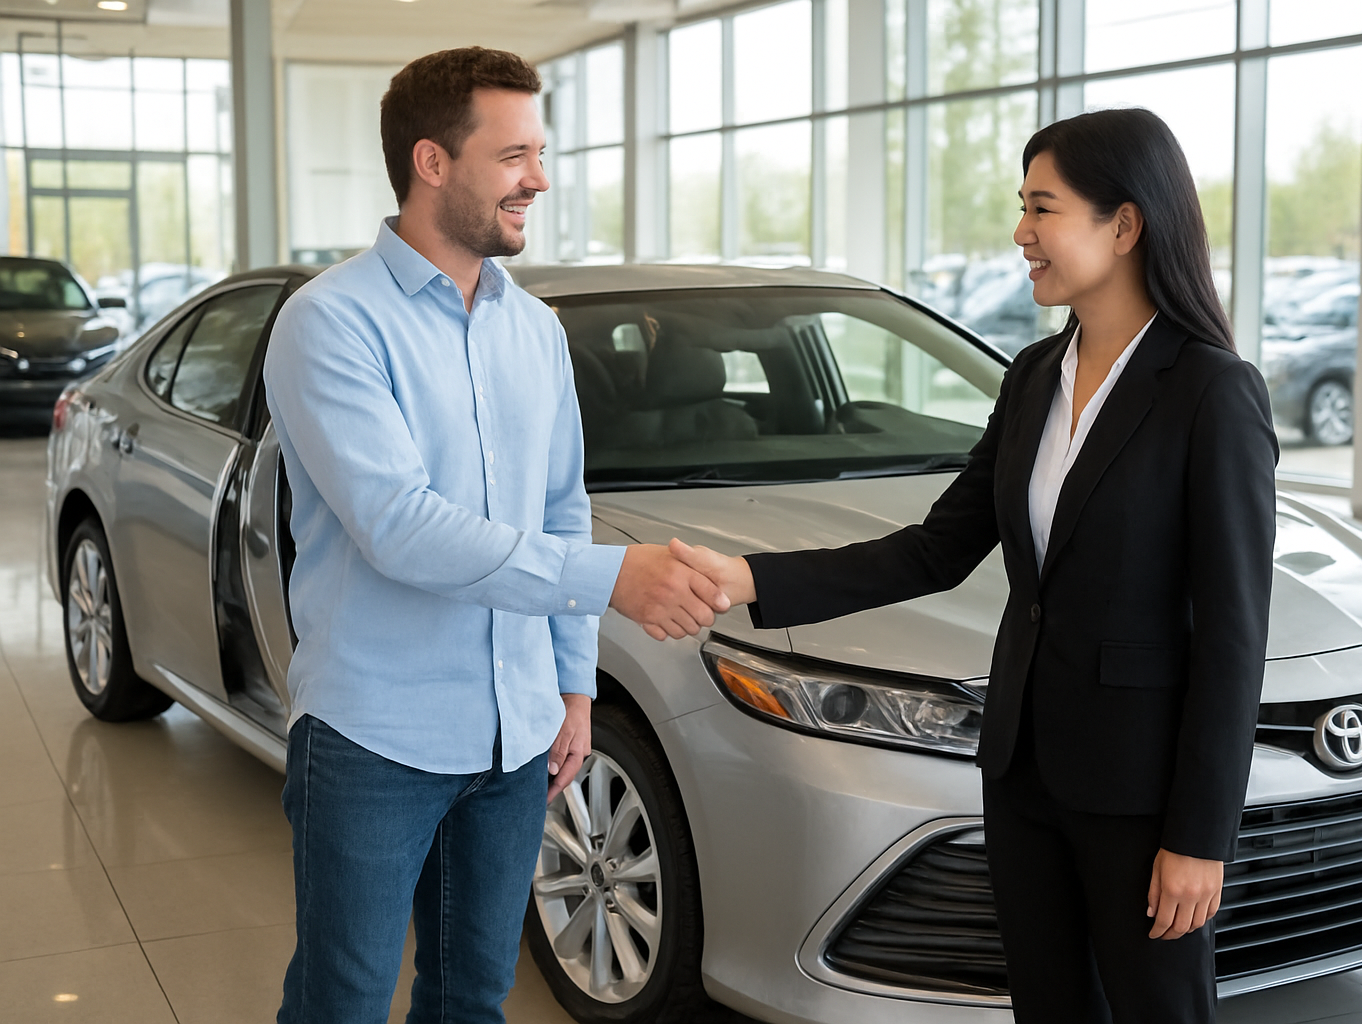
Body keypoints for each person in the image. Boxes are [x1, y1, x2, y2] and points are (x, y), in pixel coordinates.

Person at [673, 107, 1279, 1024]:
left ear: (1125, 225)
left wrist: (1200, 837)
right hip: (1024, 771)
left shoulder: (1210, 391)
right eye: (1021, 206)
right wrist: (749, 578)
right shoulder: (1035, 374)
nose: (1021, 232)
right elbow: (936, 548)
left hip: (1140, 792)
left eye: (1044, 208)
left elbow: (1234, 638)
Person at [263, 47, 727, 1024]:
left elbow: (560, 502)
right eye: (514, 154)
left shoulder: (536, 331)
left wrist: (571, 683)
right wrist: (613, 581)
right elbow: (400, 527)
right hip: (374, 732)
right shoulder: (332, 323)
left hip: (517, 734)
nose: (541, 179)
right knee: (342, 1000)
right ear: (432, 163)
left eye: (542, 151)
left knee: (472, 994)